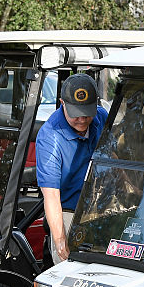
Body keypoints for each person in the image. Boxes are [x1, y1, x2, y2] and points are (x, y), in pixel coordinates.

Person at [35, 73, 109, 264]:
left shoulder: (101, 116)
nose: (82, 120)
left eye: (87, 113)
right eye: (76, 114)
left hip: (101, 207)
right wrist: (60, 240)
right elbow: (51, 196)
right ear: (62, 103)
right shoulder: (50, 137)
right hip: (68, 212)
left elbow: (114, 154)